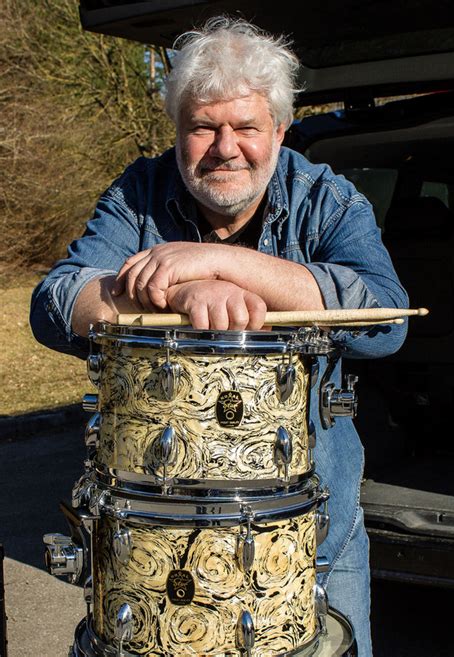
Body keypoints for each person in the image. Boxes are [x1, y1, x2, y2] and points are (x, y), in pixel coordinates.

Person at [30, 16, 408, 656]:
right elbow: (57, 300)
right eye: (203, 126)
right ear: (177, 130)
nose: (225, 147)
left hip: (310, 531)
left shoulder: (329, 200)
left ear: (281, 131)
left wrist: (228, 265)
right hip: (157, 542)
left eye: (247, 128)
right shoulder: (138, 194)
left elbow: (384, 319)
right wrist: (177, 294)